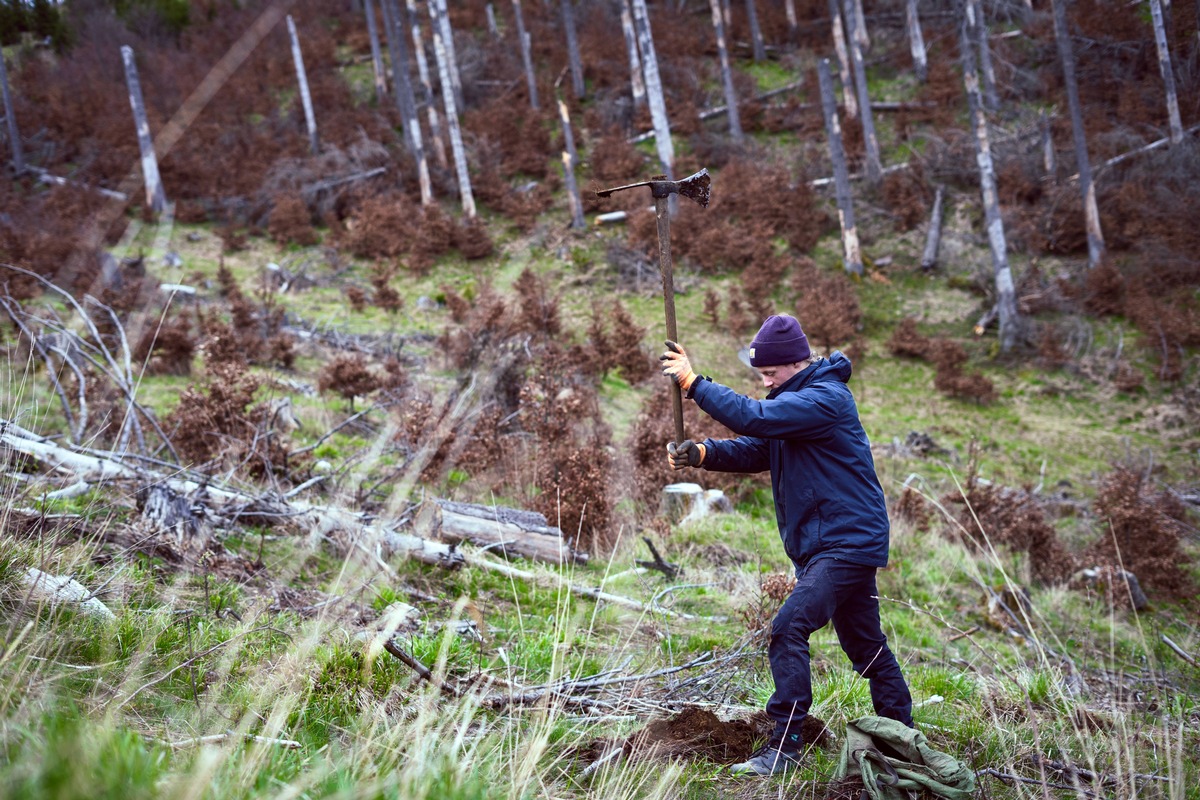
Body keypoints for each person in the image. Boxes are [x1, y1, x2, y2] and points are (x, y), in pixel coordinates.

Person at [660, 314, 913, 777]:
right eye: (761, 374)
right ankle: (902, 738)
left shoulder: (824, 399)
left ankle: (784, 748)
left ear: (796, 362)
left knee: (788, 628)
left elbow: (754, 417)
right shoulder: (795, 400)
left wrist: (695, 384)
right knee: (867, 647)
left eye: (770, 372)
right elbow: (759, 447)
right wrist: (701, 453)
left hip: (845, 543)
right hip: (834, 544)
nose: (764, 381)